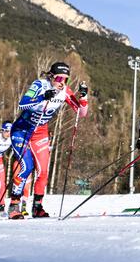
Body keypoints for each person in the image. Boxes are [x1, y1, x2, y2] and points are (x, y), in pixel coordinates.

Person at [8, 62, 88, 219]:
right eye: (59, 78)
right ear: (51, 76)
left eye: (66, 79)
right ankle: (14, 206)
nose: (62, 82)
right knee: (26, 167)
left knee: (43, 171)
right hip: (22, 130)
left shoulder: (65, 90)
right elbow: (22, 104)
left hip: (40, 132)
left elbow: (81, 112)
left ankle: (37, 207)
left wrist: (84, 97)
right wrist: (43, 96)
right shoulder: (40, 84)